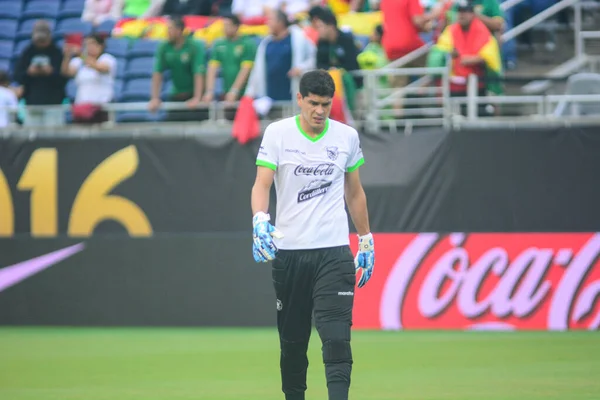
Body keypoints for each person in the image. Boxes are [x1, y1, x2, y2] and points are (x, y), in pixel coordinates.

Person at [250, 69, 375, 400]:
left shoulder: (346, 136)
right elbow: (262, 183)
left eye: (327, 104)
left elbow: (355, 192)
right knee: (292, 345)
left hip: (333, 253)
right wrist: (260, 219)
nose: (320, 111)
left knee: (336, 339)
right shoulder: (277, 134)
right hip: (289, 253)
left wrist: (365, 238)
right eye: (314, 104)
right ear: (300, 100)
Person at [149, 16, 207, 121]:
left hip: (193, 93)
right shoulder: (164, 47)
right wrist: (155, 98)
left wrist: (197, 98)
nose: (168, 32)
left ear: (180, 30)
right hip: (176, 94)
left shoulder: (194, 46)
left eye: (170, 29)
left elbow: (198, 72)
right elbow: (157, 73)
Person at [14, 20, 67, 126]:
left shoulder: (57, 52)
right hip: (32, 102)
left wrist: (51, 72)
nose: (41, 43)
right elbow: (18, 76)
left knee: (53, 137)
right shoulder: (28, 52)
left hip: (54, 103)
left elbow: (64, 78)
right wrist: (29, 72)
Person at [61, 34, 117, 123]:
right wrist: (67, 55)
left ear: (101, 46)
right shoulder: (78, 61)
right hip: (82, 107)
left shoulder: (107, 59)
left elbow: (101, 68)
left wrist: (81, 55)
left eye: (93, 44)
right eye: (87, 45)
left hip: (101, 107)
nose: (90, 47)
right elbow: (66, 72)